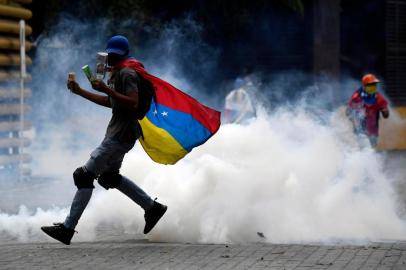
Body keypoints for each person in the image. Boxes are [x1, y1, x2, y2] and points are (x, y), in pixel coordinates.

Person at [41, 35, 167, 245]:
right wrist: (81, 91)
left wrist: (106, 89)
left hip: (119, 137)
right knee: (109, 177)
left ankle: (67, 229)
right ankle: (153, 208)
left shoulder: (127, 73)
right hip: (121, 135)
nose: (109, 60)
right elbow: (112, 102)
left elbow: (133, 103)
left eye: (112, 56)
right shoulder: (120, 72)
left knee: (83, 176)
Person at [346, 73, 389, 147]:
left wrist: (385, 111)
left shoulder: (379, 98)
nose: (373, 87)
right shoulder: (356, 97)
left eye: (374, 85)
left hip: (373, 128)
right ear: (365, 86)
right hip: (359, 128)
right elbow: (348, 112)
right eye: (371, 85)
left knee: (372, 147)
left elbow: (386, 115)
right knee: (361, 146)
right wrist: (354, 122)